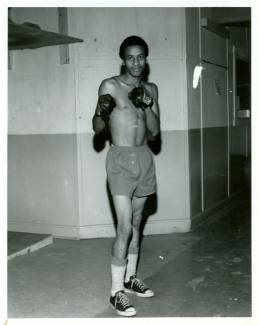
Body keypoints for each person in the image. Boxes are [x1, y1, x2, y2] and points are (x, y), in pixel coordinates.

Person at [92, 35, 160, 317]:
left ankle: (131, 278)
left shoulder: (151, 88)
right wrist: (102, 111)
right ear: (123, 59)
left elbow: (155, 132)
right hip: (120, 159)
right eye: (130, 57)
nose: (136, 62)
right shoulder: (110, 85)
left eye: (140, 57)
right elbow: (97, 128)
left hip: (144, 158)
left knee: (136, 223)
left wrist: (146, 104)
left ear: (146, 59)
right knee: (124, 227)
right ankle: (116, 291)